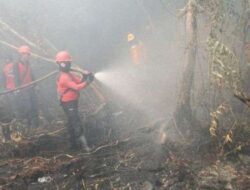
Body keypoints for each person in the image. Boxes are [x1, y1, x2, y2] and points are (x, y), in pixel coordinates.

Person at [55, 51, 94, 150]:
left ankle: (72, 145)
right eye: (68, 62)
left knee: (71, 122)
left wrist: (85, 77)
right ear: (62, 63)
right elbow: (77, 87)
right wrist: (88, 81)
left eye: (69, 62)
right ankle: (85, 146)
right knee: (76, 122)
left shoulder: (68, 74)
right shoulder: (63, 77)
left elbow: (78, 81)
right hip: (68, 103)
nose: (69, 64)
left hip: (72, 102)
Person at [2, 45, 39, 129]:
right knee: (27, 107)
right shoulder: (16, 65)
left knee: (34, 105)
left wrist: (36, 85)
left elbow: (31, 75)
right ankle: (29, 125)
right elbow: (16, 78)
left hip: (31, 88)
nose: (27, 56)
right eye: (26, 54)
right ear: (21, 55)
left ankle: (35, 125)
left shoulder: (28, 64)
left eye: (28, 54)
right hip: (23, 89)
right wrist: (18, 89)